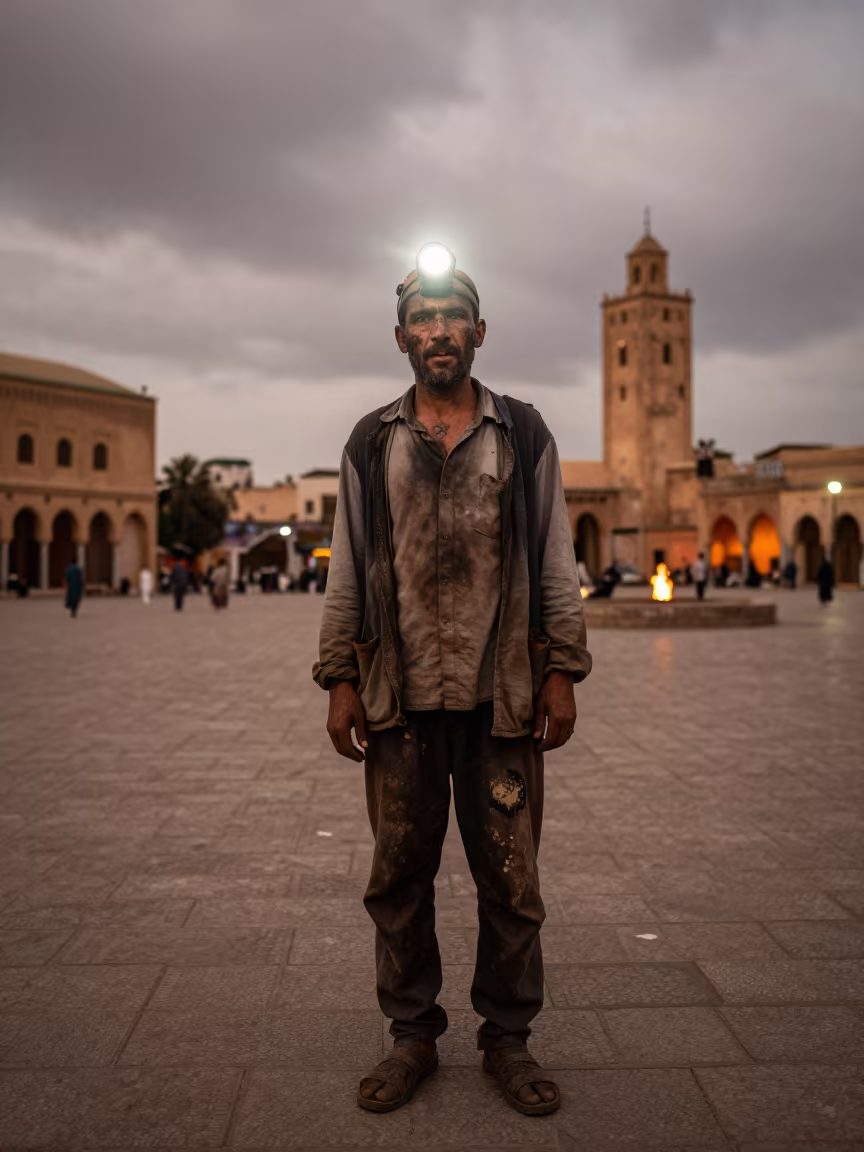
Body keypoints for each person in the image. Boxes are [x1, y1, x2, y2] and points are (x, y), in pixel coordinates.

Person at [314, 245, 592, 1117]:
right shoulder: (372, 440)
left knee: (510, 876)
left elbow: (554, 559)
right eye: (424, 319)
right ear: (402, 337)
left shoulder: (524, 432)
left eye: (454, 317)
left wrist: (562, 671)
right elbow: (350, 567)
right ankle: (412, 1037)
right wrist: (338, 677)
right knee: (398, 875)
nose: (440, 331)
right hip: (400, 703)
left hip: (499, 700)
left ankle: (508, 1041)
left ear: (480, 331)